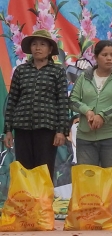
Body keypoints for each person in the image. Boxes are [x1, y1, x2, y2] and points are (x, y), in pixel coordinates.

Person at [69, 40, 112, 219]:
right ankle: (88, 215)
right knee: (87, 177)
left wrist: (102, 116)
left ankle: (111, 215)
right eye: (105, 55)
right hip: (86, 137)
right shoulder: (84, 77)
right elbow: (73, 99)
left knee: (110, 176)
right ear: (96, 57)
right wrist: (87, 111)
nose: (109, 58)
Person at [3, 29, 68, 181]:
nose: (38, 48)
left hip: (47, 129)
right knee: (24, 170)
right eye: (34, 44)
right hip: (22, 128)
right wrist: (8, 130)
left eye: (42, 44)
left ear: (50, 49)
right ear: (30, 48)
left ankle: (43, 204)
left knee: (44, 170)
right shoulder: (21, 70)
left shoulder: (57, 71)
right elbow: (12, 100)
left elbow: (63, 102)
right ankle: (26, 203)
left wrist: (61, 131)